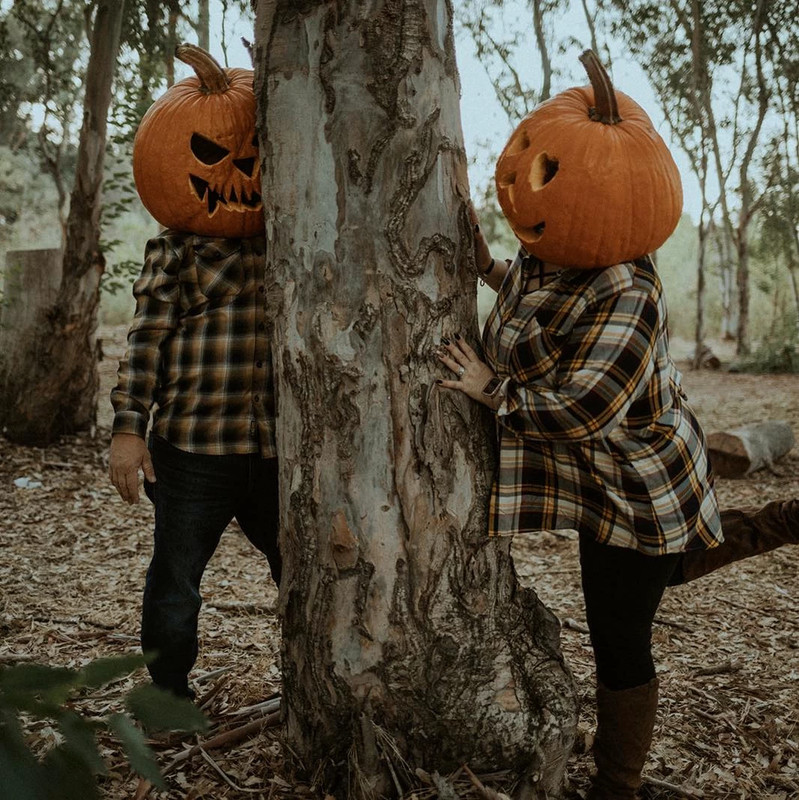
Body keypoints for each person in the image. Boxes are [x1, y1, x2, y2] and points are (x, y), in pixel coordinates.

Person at [435, 205, 798, 799]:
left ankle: (616, 786)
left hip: (642, 482)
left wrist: (490, 388)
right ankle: (781, 521)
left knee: (620, 631)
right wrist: (488, 268)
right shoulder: (556, 245)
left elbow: (584, 411)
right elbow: (553, 310)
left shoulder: (629, 287)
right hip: (599, 480)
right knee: (659, 571)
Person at [109, 232, 281, 700]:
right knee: (175, 579)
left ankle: (311, 683)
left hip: (279, 451)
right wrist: (129, 429)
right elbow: (146, 341)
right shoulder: (175, 247)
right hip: (192, 447)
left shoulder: (291, 230)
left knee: (303, 570)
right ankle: (168, 696)